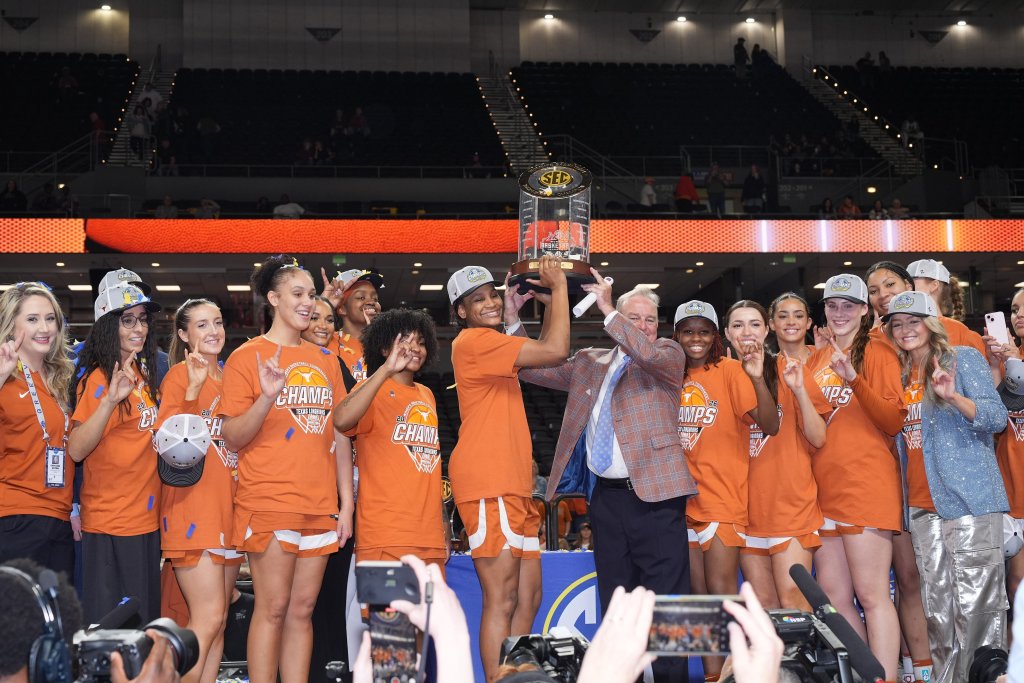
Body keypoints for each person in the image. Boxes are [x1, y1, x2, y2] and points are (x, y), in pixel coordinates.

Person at [515, 275, 691, 683]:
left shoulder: (667, 355)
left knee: (667, 608)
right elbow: (530, 367)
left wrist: (611, 309)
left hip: (658, 499)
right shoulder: (589, 362)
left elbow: (643, 351)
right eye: (635, 317)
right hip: (607, 501)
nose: (643, 326)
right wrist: (513, 319)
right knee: (615, 603)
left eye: (649, 319)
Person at [219, 255, 350, 683]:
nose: (308, 303)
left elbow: (342, 437)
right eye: (297, 294)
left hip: (319, 505)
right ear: (273, 298)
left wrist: (345, 505)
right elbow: (233, 437)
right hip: (269, 500)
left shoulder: (327, 360)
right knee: (272, 609)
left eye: (312, 294)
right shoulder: (246, 357)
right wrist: (267, 397)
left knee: (302, 611)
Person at [447, 257, 569, 682]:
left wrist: (535, 306)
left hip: (512, 482)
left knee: (529, 595)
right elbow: (556, 351)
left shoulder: (494, 345)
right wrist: (559, 290)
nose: (489, 304)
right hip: (487, 479)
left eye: (492, 296)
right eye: (476, 300)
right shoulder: (475, 341)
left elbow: (542, 356)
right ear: (461, 311)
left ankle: (517, 676)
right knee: (501, 598)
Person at [884, 290, 1009, 683]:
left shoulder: (962, 358)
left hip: (969, 499)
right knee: (937, 611)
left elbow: (996, 417)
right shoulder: (902, 375)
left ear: (931, 322)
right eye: (897, 324)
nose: (905, 330)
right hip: (922, 507)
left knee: (976, 608)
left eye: (913, 321)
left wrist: (953, 396)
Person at [807, 273, 904, 680]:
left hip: (866, 484)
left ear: (866, 310)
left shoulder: (879, 350)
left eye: (850, 305)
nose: (840, 312)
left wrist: (853, 378)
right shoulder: (815, 358)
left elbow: (892, 419)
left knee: (872, 595)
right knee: (836, 599)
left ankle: (887, 677)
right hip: (824, 492)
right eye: (833, 304)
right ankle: (869, 674)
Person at [675, 300, 778, 680]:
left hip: (721, 501)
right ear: (677, 335)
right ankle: (712, 676)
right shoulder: (671, 374)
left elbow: (770, 425)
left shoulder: (731, 370)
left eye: (704, 330)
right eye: (688, 330)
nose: (696, 338)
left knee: (722, 595)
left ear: (716, 336)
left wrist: (754, 377)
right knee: (698, 600)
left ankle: (740, 673)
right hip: (680, 503)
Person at [69, 282, 163, 625]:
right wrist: (109, 401)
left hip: (143, 519)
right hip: (112, 523)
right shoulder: (98, 378)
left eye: (142, 319)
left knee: (141, 626)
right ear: (109, 325)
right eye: (128, 320)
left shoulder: (140, 374)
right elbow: (76, 449)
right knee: (113, 633)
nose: (139, 327)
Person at [159, 299, 242, 683]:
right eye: (202, 325)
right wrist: (192, 392)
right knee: (207, 617)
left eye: (218, 322)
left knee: (220, 620)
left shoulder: (230, 378)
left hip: (228, 511)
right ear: (183, 335)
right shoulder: (179, 374)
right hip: (193, 509)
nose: (213, 331)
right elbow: (171, 447)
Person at [863, 261, 938, 682]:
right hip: (887, 481)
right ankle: (910, 668)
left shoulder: (948, 340)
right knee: (901, 580)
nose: (882, 294)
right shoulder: (868, 343)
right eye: (873, 290)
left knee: (922, 581)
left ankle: (932, 667)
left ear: (909, 285)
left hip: (936, 485)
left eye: (889, 284)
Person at [334, 308, 449, 570]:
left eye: (421, 342)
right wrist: (385, 371)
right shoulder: (372, 390)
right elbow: (341, 420)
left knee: (430, 613)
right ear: (385, 348)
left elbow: (430, 464)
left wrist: (443, 522)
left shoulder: (427, 395)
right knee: (386, 614)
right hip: (386, 536)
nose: (415, 348)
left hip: (429, 537)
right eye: (405, 340)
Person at [735, 295, 830, 612]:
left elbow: (818, 437)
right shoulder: (724, 375)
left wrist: (800, 389)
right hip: (744, 512)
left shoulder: (789, 371)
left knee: (793, 599)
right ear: (727, 333)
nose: (746, 332)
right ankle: (775, 665)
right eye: (737, 325)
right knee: (763, 605)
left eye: (754, 324)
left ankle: (802, 664)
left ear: (766, 330)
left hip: (791, 506)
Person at [296, 294, 357, 683]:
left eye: (330, 319)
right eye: (314, 317)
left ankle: (331, 672)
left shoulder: (335, 366)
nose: (323, 325)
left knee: (331, 598)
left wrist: (347, 503)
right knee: (294, 605)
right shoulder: (274, 360)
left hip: (333, 500)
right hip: (290, 497)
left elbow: (347, 430)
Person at [0, 283, 76, 576]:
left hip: (60, 518)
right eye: (32, 319)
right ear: (11, 325)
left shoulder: (61, 380)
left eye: (50, 318)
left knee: (57, 618)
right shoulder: (6, 376)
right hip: (16, 518)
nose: (44, 327)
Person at [988, 288, 1024, 602]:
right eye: (1014, 309)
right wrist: (998, 363)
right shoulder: (1005, 360)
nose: (1018, 315)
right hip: (1011, 488)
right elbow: (992, 418)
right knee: (1016, 586)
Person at [321, 268, 383, 386]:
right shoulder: (325, 340)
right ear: (342, 308)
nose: (371, 302)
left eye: (375, 298)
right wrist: (324, 305)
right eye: (361, 297)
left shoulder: (387, 346)